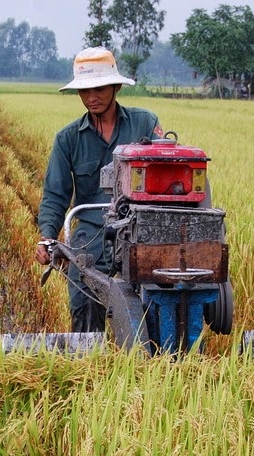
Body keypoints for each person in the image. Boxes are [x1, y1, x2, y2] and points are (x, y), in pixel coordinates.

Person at [34, 47, 163, 333]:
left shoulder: (146, 123)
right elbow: (56, 193)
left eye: (100, 88)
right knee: (83, 293)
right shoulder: (68, 139)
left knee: (163, 292)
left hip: (142, 228)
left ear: (116, 86)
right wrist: (47, 235)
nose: (91, 97)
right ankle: (87, 355)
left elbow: (169, 172)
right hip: (93, 230)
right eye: (84, 90)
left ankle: (160, 356)